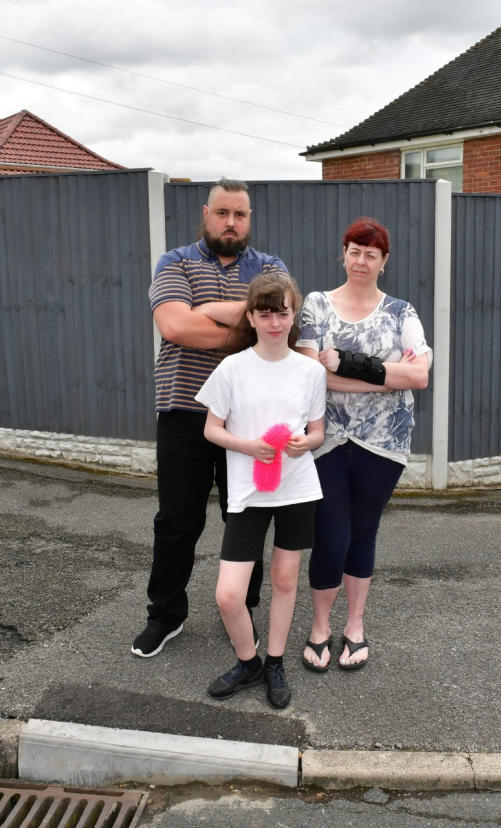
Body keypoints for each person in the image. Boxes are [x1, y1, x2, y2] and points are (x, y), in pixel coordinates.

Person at [133, 179, 288, 659]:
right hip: (184, 411)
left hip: (248, 418)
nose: (230, 223)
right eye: (222, 213)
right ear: (206, 213)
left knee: (245, 517)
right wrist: (249, 329)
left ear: (249, 218)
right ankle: (166, 614)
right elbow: (175, 325)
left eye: (239, 214)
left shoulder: (270, 268)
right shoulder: (175, 262)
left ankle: (238, 608)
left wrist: (213, 316)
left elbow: (279, 325)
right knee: (177, 520)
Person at [296, 217, 431, 672]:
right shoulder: (316, 304)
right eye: (354, 250)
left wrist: (351, 367)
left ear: (383, 261)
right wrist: (387, 379)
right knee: (330, 534)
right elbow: (310, 373)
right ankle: (319, 626)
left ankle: (354, 625)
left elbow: (420, 376)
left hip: (383, 442)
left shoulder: (402, 312)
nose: (360, 260)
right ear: (343, 253)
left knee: (363, 532)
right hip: (326, 439)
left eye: (371, 253)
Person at [195, 272, 326, 708]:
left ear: (294, 316)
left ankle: (274, 662)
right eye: (265, 312)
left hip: (297, 489)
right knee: (229, 594)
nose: (274, 321)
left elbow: (318, 432)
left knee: (285, 579)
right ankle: (248, 660)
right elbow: (212, 429)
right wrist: (247, 445)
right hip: (248, 494)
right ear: (250, 316)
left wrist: (306, 442)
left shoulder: (309, 371)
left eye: (283, 312)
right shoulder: (232, 368)